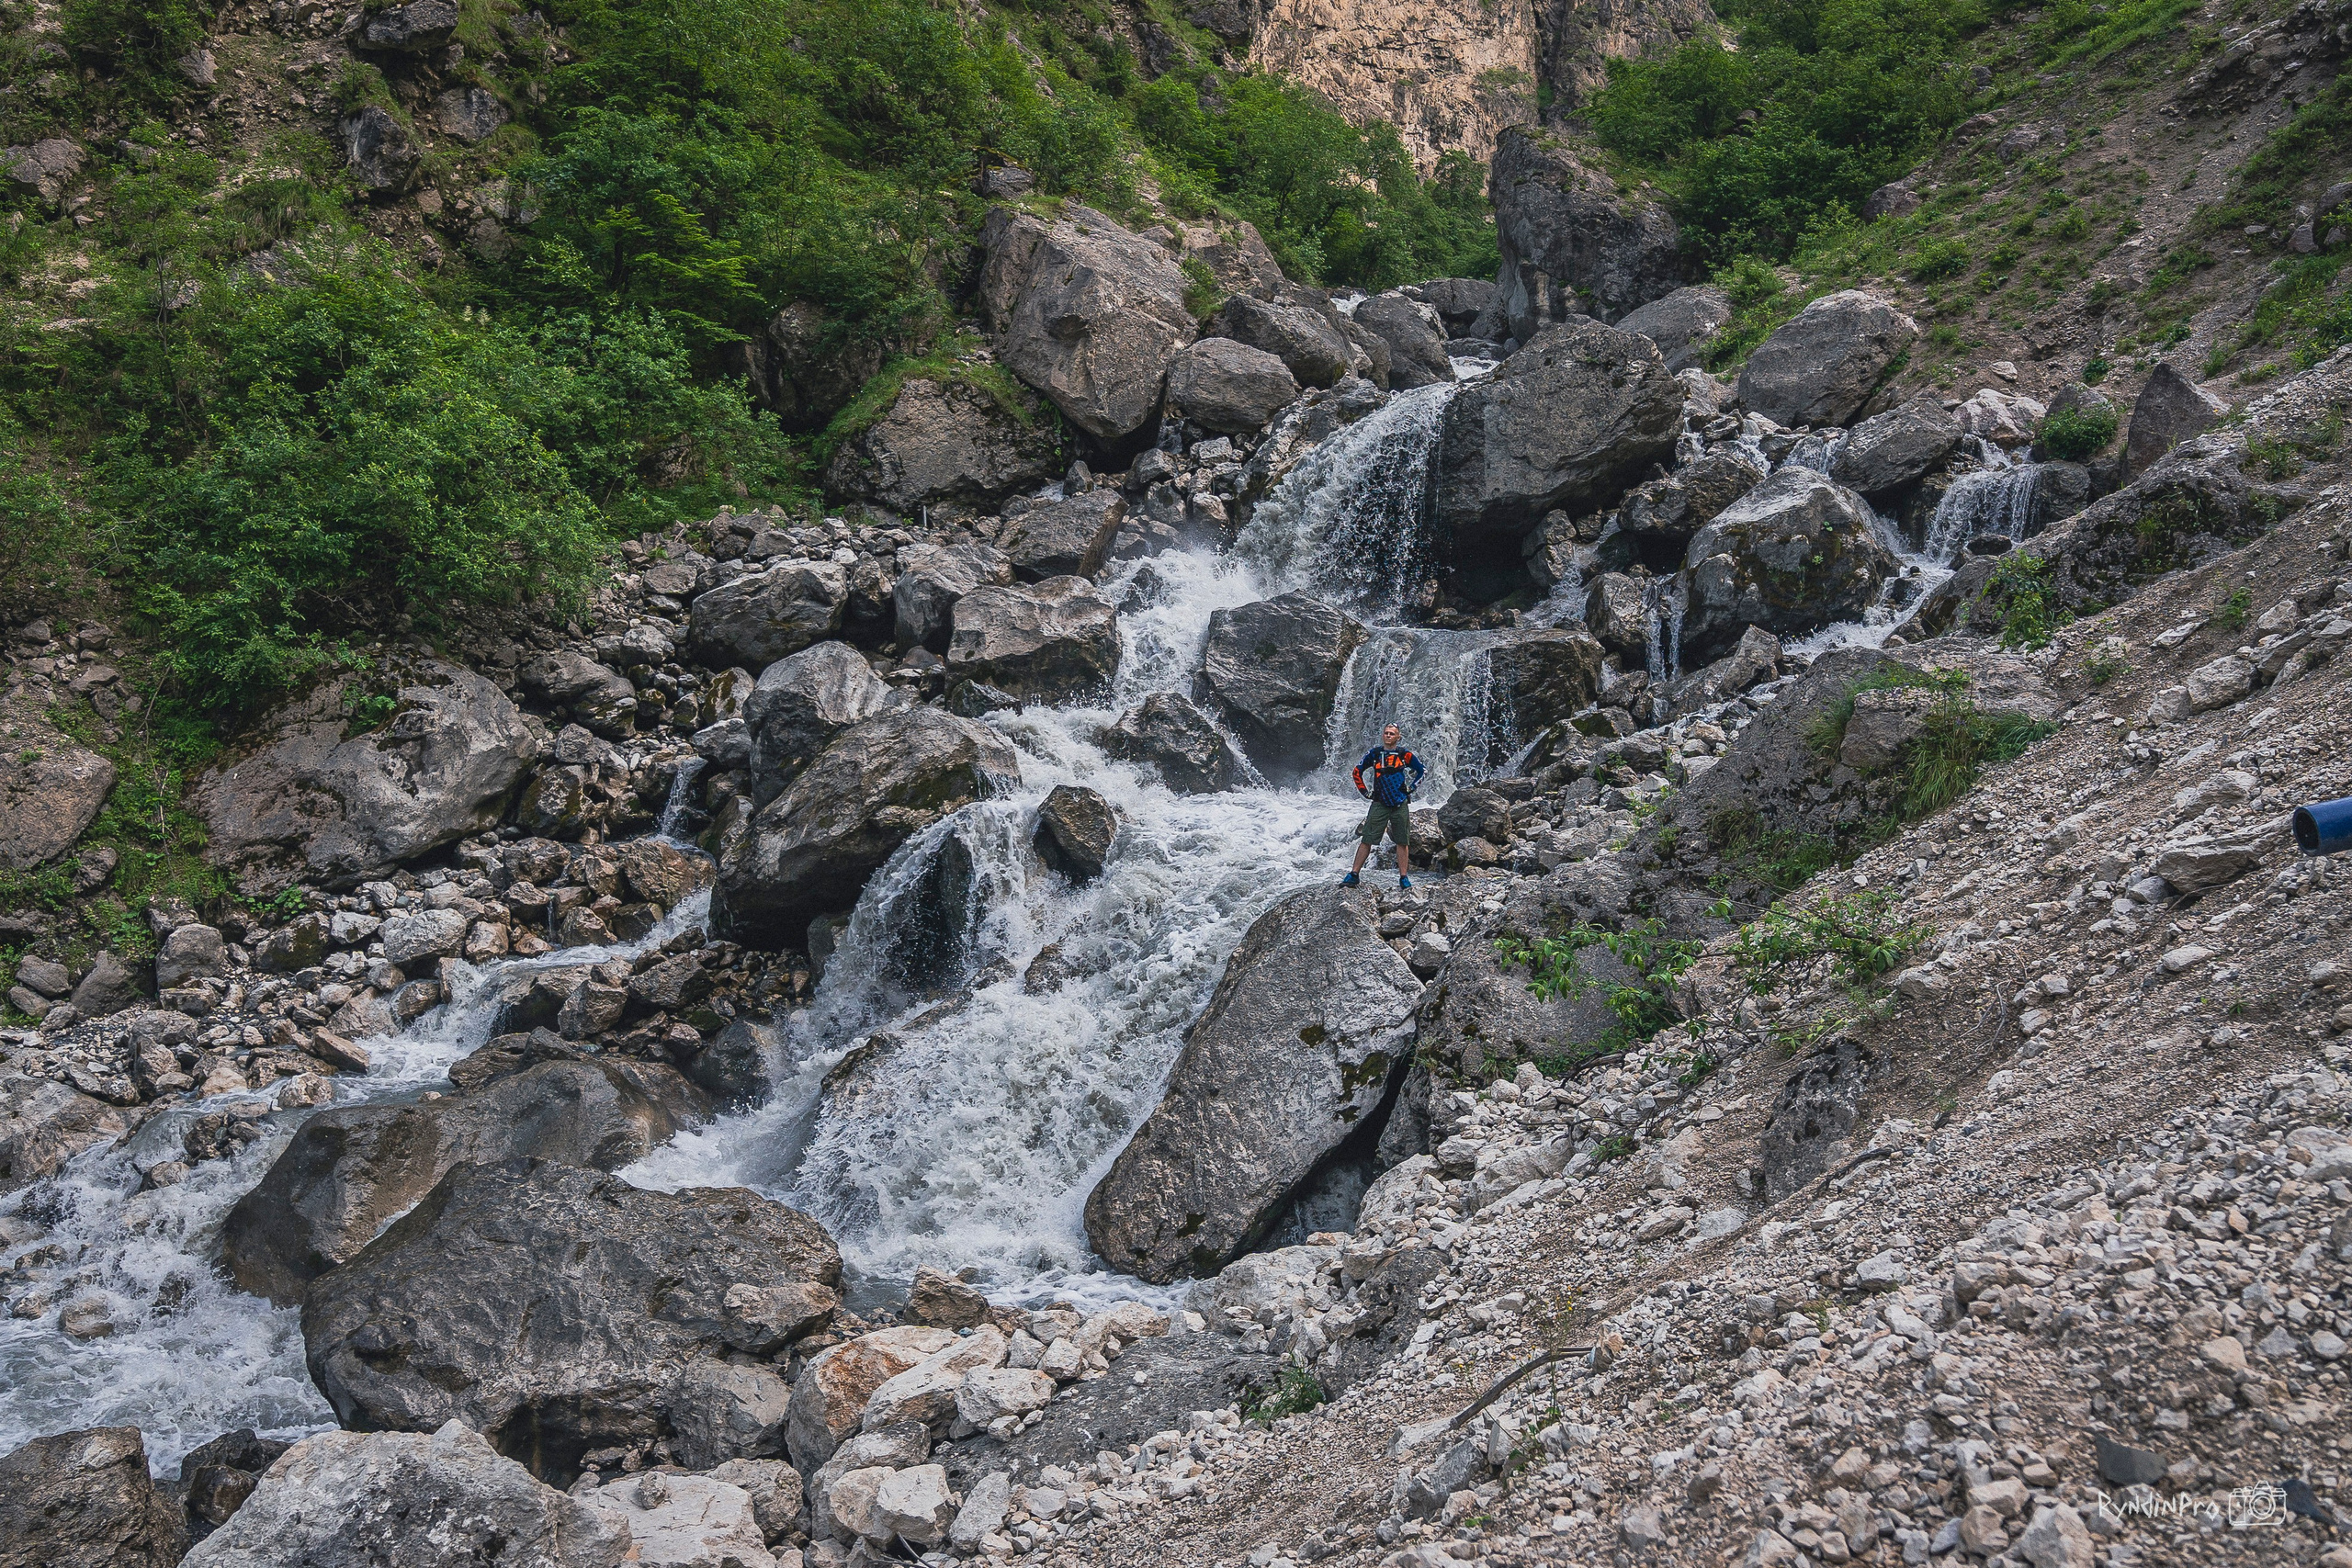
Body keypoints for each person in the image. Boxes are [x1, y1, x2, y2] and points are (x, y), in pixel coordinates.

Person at [1343, 724, 1425, 889]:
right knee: (1367, 839)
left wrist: (1412, 788)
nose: (1388, 736)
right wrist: (1365, 792)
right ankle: (1353, 874)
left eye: (1392, 734)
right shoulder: (1374, 754)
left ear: (1398, 737)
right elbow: (1357, 771)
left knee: (1402, 841)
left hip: (1400, 803)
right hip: (1379, 802)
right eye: (1386, 733)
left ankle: (1403, 877)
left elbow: (1422, 770)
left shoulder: (1405, 755)